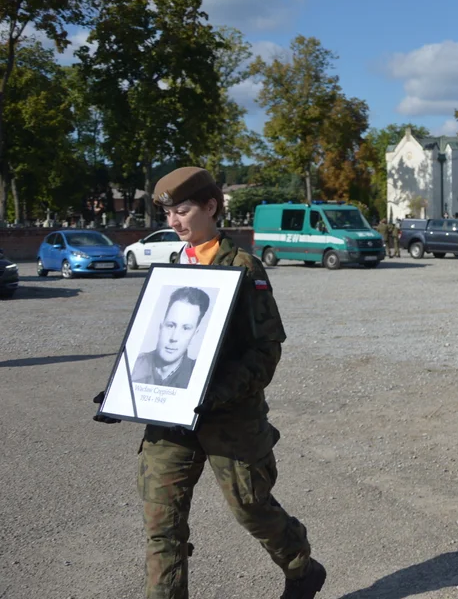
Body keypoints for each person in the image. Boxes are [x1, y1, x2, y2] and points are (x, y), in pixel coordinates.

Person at [94, 167, 326, 599]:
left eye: (182, 211)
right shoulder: (172, 266)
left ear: (211, 207)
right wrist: (124, 391)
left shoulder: (243, 267)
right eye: (168, 214)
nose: (174, 222)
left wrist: (218, 391)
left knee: (250, 507)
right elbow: (153, 338)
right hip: (170, 418)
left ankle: (301, 567)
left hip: (229, 417)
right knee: (162, 525)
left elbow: (266, 350)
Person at [131, 287, 211, 389]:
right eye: (170, 325)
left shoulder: (200, 375)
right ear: (161, 326)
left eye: (186, 328)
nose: (174, 337)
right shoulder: (133, 364)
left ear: (194, 334)